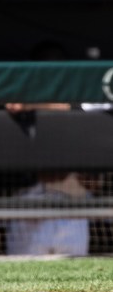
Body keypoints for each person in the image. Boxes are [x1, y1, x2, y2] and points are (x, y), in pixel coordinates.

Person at [5, 40, 90, 256]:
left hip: (71, 205)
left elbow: (68, 107)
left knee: (75, 280)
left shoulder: (79, 96)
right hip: (28, 205)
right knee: (19, 280)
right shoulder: (18, 96)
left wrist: (32, 104)